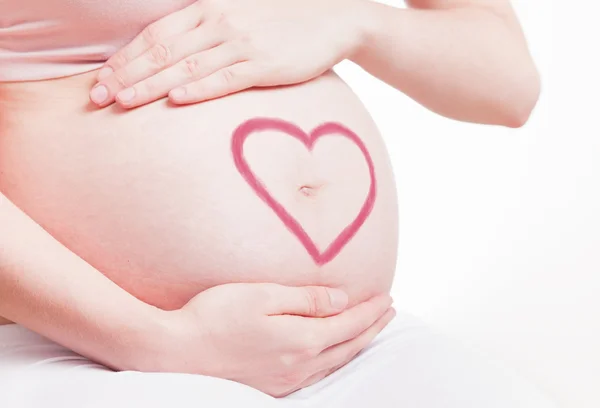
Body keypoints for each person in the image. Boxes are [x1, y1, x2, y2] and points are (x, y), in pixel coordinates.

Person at [0, 0, 553, 406]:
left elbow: (507, 84)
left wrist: (356, 21)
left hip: (347, 343)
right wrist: (149, 340)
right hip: (79, 345)